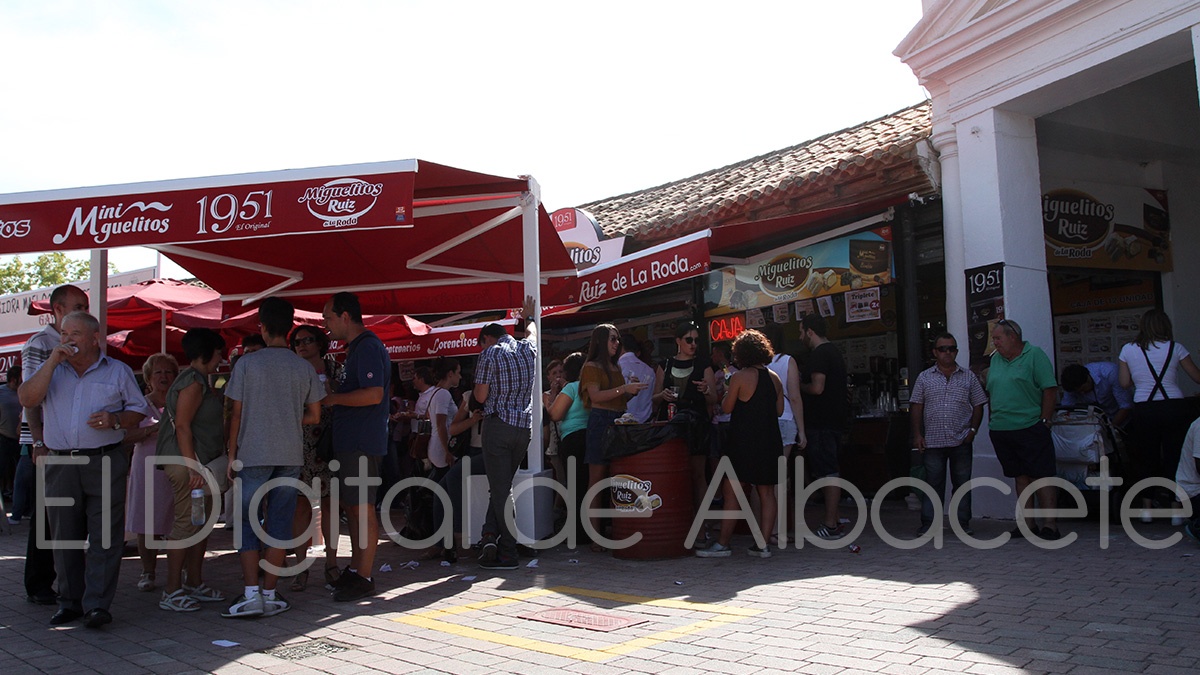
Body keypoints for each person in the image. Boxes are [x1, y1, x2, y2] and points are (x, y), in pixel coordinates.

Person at [18, 311, 153, 628]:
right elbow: (27, 397)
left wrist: (116, 420)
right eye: (64, 333)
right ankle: (70, 602)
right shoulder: (51, 370)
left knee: (104, 537)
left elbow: (138, 410)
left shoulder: (117, 371)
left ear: (95, 338)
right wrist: (51, 363)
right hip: (61, 462)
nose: (67, 339)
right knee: (64, 537)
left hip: (104, 459)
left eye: (75, 334)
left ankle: (97, 605)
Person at [223, 297, 323, 618]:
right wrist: (289, 417)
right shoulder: (302, 366)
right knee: (280, 524)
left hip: (253, 452)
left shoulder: (247, 364)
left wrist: (231, 454)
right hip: (289, 452)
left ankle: (251, 594)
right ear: (291, 327)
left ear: (262, 327)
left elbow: (235, 414)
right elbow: (314, 415)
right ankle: (270, 592)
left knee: (248, 522)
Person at [20, 285, 88, 607]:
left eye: (86, 306)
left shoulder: (83, 342)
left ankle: (67, 580)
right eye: (78, 305)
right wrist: (37, 441)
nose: (84, 310)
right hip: (47, 444)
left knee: (68, 516)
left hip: (72, 445)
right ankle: (38, 583)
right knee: (46, 516)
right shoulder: (41, 343)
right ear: (58, 309)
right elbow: (31, 396)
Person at [322, 291, 391, 602]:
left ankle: (364, 576)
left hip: (362, 441)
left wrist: (333, 398)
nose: (326, 324)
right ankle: (356, 570)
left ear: (345, 316)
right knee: (353, 507)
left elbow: (374, 394)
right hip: (354, 442)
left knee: (361, 509)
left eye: (328, 317)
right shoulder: (359, 348)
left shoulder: (367, 347)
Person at [156, 329, 227, 612]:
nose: (221, 357)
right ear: (207, 351)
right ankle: (172, 590)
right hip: (189, 464)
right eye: (219, 351)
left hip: (196, 464)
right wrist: (192, 466)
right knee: (187, 524)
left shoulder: (199, 380)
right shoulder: (192, 383)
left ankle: (194, 582)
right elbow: (183, 426)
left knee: (200, 522)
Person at [696, 329, 784, 559]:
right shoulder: (774, 378)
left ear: (741, 353)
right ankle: (763, 545)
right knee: (767, 492)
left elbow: (726, 408)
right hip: (769, 440)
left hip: (743, 440)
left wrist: (726, 392)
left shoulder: (740, 377)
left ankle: (723, 543)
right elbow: (780, 410)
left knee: (732, 491)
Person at [473, 295, 539, 570]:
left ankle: (508, 552)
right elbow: (532, 333)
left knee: (501, 490)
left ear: (488, 338)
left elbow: (480, 395)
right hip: (523, 428)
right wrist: (528, 317)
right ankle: (490, 536)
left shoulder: (490, 354)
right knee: (502, 487)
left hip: (498, 426)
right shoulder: (529, 349)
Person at [1117, 309, 1200, 520]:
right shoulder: (1176, 348)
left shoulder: (1128, 350)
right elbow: (1196, 377)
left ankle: (1146, 508)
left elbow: (1125, 383)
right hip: (1174, 406)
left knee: (1146, 458)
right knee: (1175, 457)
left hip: (1145, 408)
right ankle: (1175, 509)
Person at [985, 318, 1061, 540]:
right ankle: (1028, 524)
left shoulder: (1034, 355)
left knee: (1042, 476)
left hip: (1030, 426)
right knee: (1020, 476)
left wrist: (1045, 420)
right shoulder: (996, 360)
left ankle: (1050, 525)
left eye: (998, 338)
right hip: (1002, 428)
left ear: (1013, 337)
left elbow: (1049, 388)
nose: (995, 342)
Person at [910, 333, 986, 536]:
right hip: (933, 441)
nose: (947, 352)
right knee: (932, 485)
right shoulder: (924, 377)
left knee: (962, 485)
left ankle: (962, 524)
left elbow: (979, 404)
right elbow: (916, 407)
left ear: (956, 351)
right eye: (943, 349)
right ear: (935, 352)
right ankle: (929, 524)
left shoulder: (968, 376)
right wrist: (917, 434)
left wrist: (972, 431)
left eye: (951, 348)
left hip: (961, 439)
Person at [581, 324, 648, 552]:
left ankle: (617, 530)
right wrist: (625, 389)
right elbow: (596, 396)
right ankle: (594, 537)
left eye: (617, 339)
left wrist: (639, 391)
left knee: (619, 478)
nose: (616, 343)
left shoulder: (615, 366)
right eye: (612, 339)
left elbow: (617, 398)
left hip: (618, 419)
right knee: (597, 480)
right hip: (600, 421)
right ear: (600, 341)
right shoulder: (591, 366)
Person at [288, 323, 342, 593]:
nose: (302, 345)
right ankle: (300, 567)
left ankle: (331, 564)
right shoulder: (289, 372)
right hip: (297, 444)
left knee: (330, 504)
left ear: (320, 343)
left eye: (308, 340)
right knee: (300, 507)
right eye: (298, 342)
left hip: (327, 445)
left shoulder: (335, 370)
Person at [122, 352, 178, 593]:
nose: (164, 376)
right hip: (146, 466)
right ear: (148, 378)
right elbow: (125, 436)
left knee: (179, 520)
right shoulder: (139, 405)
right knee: (146, 520)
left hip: (177, 466)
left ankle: (181, 569)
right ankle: (148, 571)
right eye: (158, 372)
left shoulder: (181, 401)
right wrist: (149, 432)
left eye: (168, 372)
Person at [655, 322, 717, 518]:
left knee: (698, 473)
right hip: (671, 423)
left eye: (696, 341)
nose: (693, 344)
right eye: (689, 340)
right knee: (673, 472)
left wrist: (706, 390)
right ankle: (678, 518)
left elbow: (714, 398)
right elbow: (654, 398)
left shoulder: (703, 364)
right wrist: (662, 395)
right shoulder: (665, 364)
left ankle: (701, 521)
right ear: (678, 341)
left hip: (696, 422)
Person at [798, 312, 849, 540]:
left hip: (822, 422)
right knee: (830, 469)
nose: (800, 337)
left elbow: (817, 388)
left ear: (810, 331)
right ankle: (835, 518)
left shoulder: (819, 354)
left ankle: (830, 523)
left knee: (827, 472)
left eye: (801, 332)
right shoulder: (834, 351)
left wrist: (799, 385)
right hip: (835, 420)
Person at [546, 352, 589, 547]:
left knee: (574, 487)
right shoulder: (589, 387)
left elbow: (554, 414)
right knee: (587, 484)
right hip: (589, 437)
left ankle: (577, 533)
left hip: (572, 439)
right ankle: (590, 530)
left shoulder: (572, 388)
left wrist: (549, 400)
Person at [1060, 361, 1133, 429]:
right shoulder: (1071, 384)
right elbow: (1066, 409)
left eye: (1082, 389)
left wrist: (1110, 429)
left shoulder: (1110, 372)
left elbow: (1125, 406)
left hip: (1124, 421)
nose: (1082, 393)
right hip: (1096, 424)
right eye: (1078, 392)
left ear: (1088, 379)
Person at [619, 333, 655, 423]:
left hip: (622, 422)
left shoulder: (617, 366)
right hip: (646, 422)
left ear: (620, 347)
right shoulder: (650, 371)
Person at [1, 366, 22, 523]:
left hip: (22, 440)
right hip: (4, 438)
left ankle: (20, 505)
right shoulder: (1, 392)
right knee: (3, 471)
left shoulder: (25, 392)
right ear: (14, 379)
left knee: (19, 475)